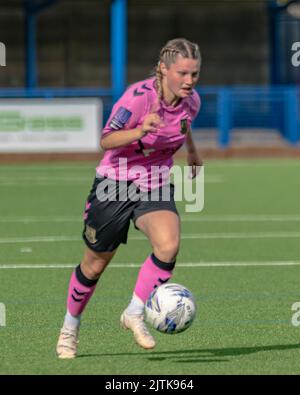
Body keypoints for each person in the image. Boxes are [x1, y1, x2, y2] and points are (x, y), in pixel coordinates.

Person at [56, 38, 203, 359]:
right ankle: (70, 327)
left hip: (155, 182)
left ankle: (135, 312)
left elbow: (184, 124)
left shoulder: (192, 102)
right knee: (94, 265)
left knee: (168, 244)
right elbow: (106, 139)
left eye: (194, 74)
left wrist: (192, 152)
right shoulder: (137, 99)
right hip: (114, 184)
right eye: (183, 73)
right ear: (163, 70)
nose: (190, 81)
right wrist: (140, 130)